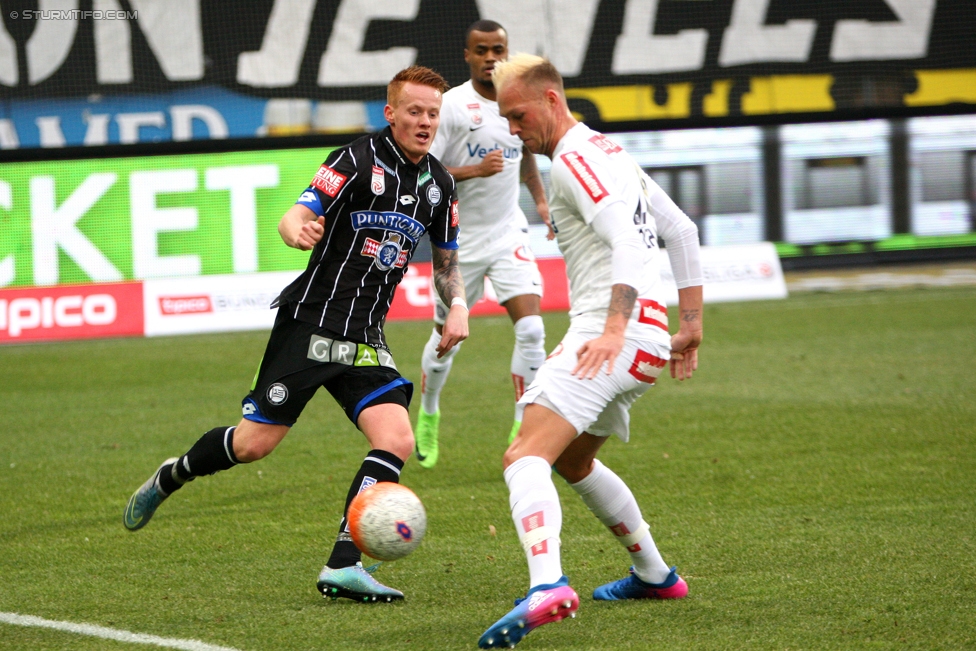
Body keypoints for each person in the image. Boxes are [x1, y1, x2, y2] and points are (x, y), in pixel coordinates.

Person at [122, 66, 469, 604]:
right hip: (310, 325)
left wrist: (458, 307)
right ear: (391, 113)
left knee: (396, 438)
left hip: (365, 338)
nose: (424, 122)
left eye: (432, 113)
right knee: (252, 445)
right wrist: (296, 231)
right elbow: (298, 213)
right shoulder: (355, 160)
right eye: (415, 111)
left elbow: (446, 262)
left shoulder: (441, 184)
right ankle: (174, 474)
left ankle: (343, 565)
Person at [476, 54, 705, 649]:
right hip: (647, 341)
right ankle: (656, 576)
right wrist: (691, 325)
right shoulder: (607, 150)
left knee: (523, 456)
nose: (514, 130)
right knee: (572, 462)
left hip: (612, 335)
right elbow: (680, 229)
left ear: (552, 100)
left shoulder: (575, 161)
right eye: (505, 118)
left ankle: (546, 584)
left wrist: (610, 327)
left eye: (519, 115)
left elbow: (632, 241)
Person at [413, 20, 552, 468]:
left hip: (508, 232)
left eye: (499, 49)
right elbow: (425, 171)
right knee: (444, 341)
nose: (492, 57)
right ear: (468, 55)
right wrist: (476, 171)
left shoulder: (517, 97)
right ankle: (429, 411)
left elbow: (526, 153)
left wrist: (543, 204)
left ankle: (522, 423)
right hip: (457, 241)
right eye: (483, 50)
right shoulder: (452, 107)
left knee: (532, 330)